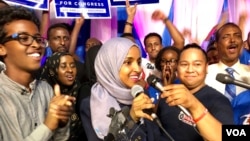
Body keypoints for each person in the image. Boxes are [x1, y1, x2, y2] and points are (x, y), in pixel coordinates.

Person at [0, 6, 75, 140]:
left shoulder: (46, 89)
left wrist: (61, 121)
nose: (36, 45)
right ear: (1, 49)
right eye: (24, 38)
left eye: (38, 39)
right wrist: (48, 126)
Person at [80, 37, 165, 141]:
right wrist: (131, 119)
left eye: (138, 62)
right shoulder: (91, 104)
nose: (138, 69)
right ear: (110, 65)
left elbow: (155, 135)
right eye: (128, 62)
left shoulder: (140, 94)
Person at [157, 44, 234, 141]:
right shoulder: (169, 92)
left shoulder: (219, 101)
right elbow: (156, 127)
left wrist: (194, 105)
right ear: (177, 67)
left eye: (197, 64)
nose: (190, 70)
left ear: (206, 68)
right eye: (184, 64)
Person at [205, 22, 250, 124]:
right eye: (226, 37)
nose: (232, 40)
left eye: (237, 36)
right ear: (216, 44)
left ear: (242, 43)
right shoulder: (205, 74)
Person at [39, 52, 87, 141]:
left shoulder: (81, 91)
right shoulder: (43, 95)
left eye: (72, 65)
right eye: (63, 66)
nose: (70, 70)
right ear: (52, 70)